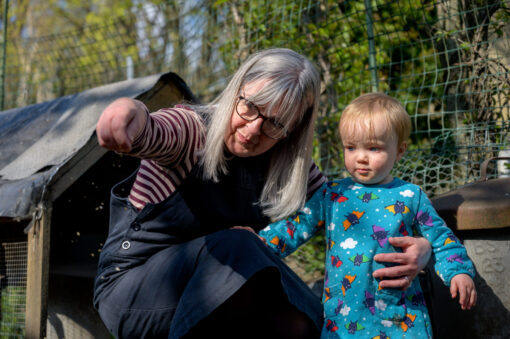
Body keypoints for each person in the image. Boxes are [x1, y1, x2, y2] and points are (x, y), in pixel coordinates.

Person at [93, 49, 432, 339]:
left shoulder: (287, 166)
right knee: (240, 246)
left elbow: (352, 210)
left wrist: (420, 247)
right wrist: (127, 113)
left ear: (292, 130)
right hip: (133, 290)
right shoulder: (191, 130)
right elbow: (153, 130)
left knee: (314, 318)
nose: (253, 129)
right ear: (236, 90)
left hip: (216, 297)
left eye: (275, 123)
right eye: (250, 107)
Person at [258, 93, 477, 338]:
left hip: (400, 317)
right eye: (351, 147)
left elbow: (441, 238)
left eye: (374, 148)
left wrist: (458, 271)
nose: (361, 157)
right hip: (342, 318)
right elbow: (295, 228)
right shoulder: (332, 195)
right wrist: (256, 244)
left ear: (400, 150)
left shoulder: (410, 195)